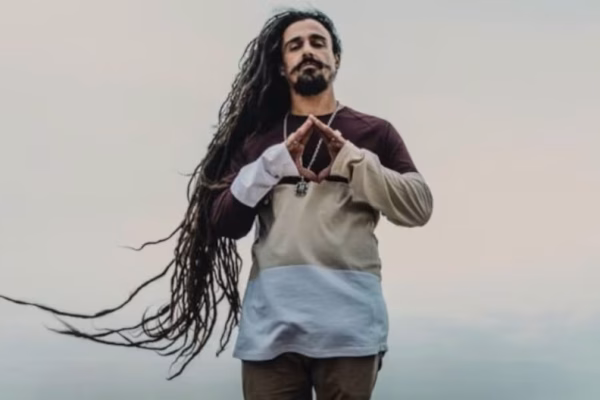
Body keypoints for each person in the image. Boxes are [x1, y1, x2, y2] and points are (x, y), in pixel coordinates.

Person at [0, 7, 432, 400]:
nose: (308, 51)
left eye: (318, 43)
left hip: (350, 330)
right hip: (271, 332)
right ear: (281, 65)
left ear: (335, 58)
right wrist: (270, 165)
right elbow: (225, 222)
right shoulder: (258, 140)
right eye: (295, 45)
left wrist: (354, 161)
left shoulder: (374, 132)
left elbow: (419, 206)